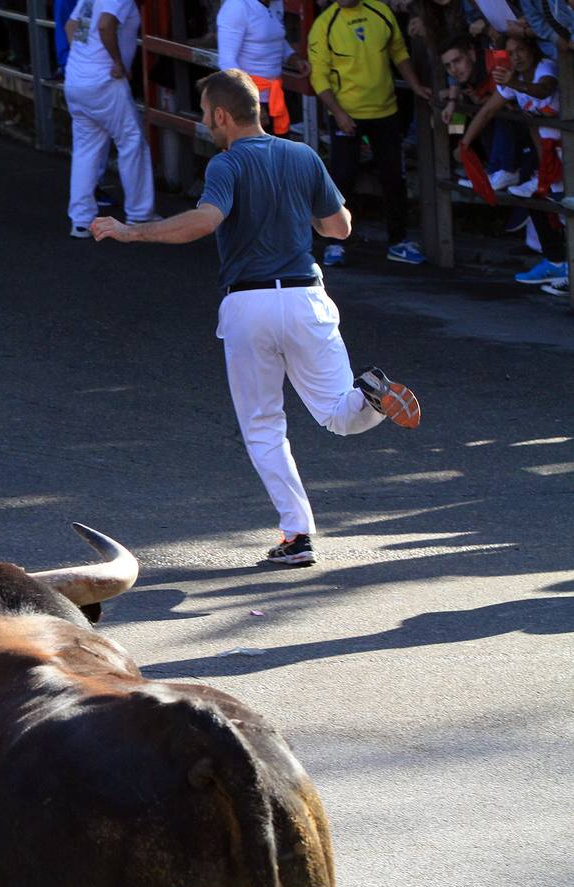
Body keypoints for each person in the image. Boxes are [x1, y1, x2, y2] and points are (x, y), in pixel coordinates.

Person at [91, 69, 421, 567]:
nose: (205, 121)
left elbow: (206, 220)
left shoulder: (226, 165)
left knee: (264, 425)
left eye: (206, 113)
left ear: (223, 115)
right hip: (307, 297)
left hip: (249, 305)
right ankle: (372, 392)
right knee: (339, 414)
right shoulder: (302, 155)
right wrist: (298, 208)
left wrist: (132, 231)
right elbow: (339, 227)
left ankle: (298, 535)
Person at [308, 0, 431, 267]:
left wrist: (415, 85)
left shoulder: (380, 11)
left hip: (385, 111)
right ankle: (335, 244)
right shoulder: (324, 25)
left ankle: (398, 241)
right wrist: (338, 113)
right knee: (342, 179)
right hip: (347, 115)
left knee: (394, 178)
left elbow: (399, 52)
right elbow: (319, 77)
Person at [458, 33, 565, 288]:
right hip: (549, 158)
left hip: (567, 153)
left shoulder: (545, 67)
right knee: (537, 201)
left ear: (532, 49)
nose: (516, 57)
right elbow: (486, 112)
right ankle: (557, 264)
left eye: (520, 51)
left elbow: (545, 89)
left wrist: (516, 84)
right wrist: (464, 144)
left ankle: (564, 270)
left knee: (563, 209)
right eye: (511, 53)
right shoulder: (509, 79)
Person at [63, 0, 157, 239]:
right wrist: (117, 61)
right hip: (104, 80)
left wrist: (83, 59)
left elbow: (70, 25)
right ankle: (139, 215)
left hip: (76, 79)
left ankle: (81, 221)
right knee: (132, 143)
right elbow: (106, 25)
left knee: (86, 149)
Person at [439, 35, 522, 193]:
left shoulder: (498, 61)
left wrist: (485, 100)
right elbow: (454, 80)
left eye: (457, 61)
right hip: (487, 121)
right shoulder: (463, 75)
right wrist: (452, 102)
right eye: (448, 66)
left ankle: (503, 169)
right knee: (457, 116)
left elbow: (509, 101)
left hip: (523, 123)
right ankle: (472, 166)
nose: (453, 70)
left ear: (471, 53)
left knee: (501, 113)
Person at [215, 0, 311, 135]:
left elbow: (275, 37)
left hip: (275, 97)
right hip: (246, 100)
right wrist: (251, 105)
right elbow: (227, 62)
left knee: (275, 146)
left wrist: (294, 59)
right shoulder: (236, 6)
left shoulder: (276, 3)